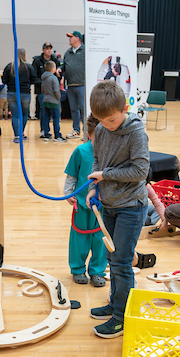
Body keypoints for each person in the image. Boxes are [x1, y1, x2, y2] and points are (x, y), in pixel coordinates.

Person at [85, 80, 149, 339]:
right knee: (113, 259)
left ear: (125, 108)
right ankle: (115, 304)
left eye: (111, 120)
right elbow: (98, 160)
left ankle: (122, 318)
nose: (107, 125)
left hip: (131, 207)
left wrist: (104, 175)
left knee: (122, 262)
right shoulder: (100, 128)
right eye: (102, 121)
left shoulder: (136, 133)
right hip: (109, 204)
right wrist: (93, 187)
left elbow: (140, 171)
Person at [64, 115, 106, 287]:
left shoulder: (110, 153)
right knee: (79, 238)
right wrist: (68, 193)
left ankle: (97, 271)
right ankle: (78, 269)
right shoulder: (80, 151)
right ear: (89, 134)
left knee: (100, 239)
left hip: (104, 204)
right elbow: (72, 175)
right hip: (81, 204)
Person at [2, 48, 36, 143]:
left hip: (12, 93)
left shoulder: (9, 66)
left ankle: (17, 135)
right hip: (25, 93)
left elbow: (4, 80)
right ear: (24, 55)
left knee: (15, 115)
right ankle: (21, 133)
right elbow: (34, 79)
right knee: (25, 114)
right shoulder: (28, 67)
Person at [32, 42, 61, 137]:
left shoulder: (55, 60)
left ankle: (52, 131)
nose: (49, 50)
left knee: (54, 112)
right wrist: (43, 83)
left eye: (50, 48)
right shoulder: (37, 61)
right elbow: (33, 76)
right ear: (43, 50)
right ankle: (44, 130)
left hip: (53, 91)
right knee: (43, 111)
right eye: (47, 48)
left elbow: (61, 68)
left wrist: (59, 69)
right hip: (42, 91)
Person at [62, 31, 86, 139]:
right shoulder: (67, 52)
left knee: (83, 108)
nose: (69, 39)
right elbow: (64, 66)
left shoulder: (86, 50)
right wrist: (60, 69)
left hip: (82, 84)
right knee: (73, 109)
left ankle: (86, 131)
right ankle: (76, 130)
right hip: (70, 85)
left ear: (77, 38)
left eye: (71, 37)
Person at [40, 61, 66, 142]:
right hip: (54, 101)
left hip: (45, 100)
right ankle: (57, 135)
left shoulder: (43, 78)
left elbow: (42, 90)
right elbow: (56, 91)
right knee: (56, 119)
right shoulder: (53, 78)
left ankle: (46, 134)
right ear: (53, 68)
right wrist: (59, 98)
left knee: (46, 118)